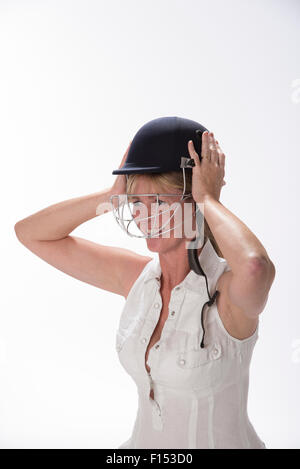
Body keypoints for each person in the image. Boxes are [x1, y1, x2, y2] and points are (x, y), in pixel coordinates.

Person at [14, 116, 276, 449]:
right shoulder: (137, 278)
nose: (144, 216)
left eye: (160, 202)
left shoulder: (226, 294)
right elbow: (31, 234)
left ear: (193, 203)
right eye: (137, 203)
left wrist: (210, 199)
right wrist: (113, 194)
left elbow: (255, 266)